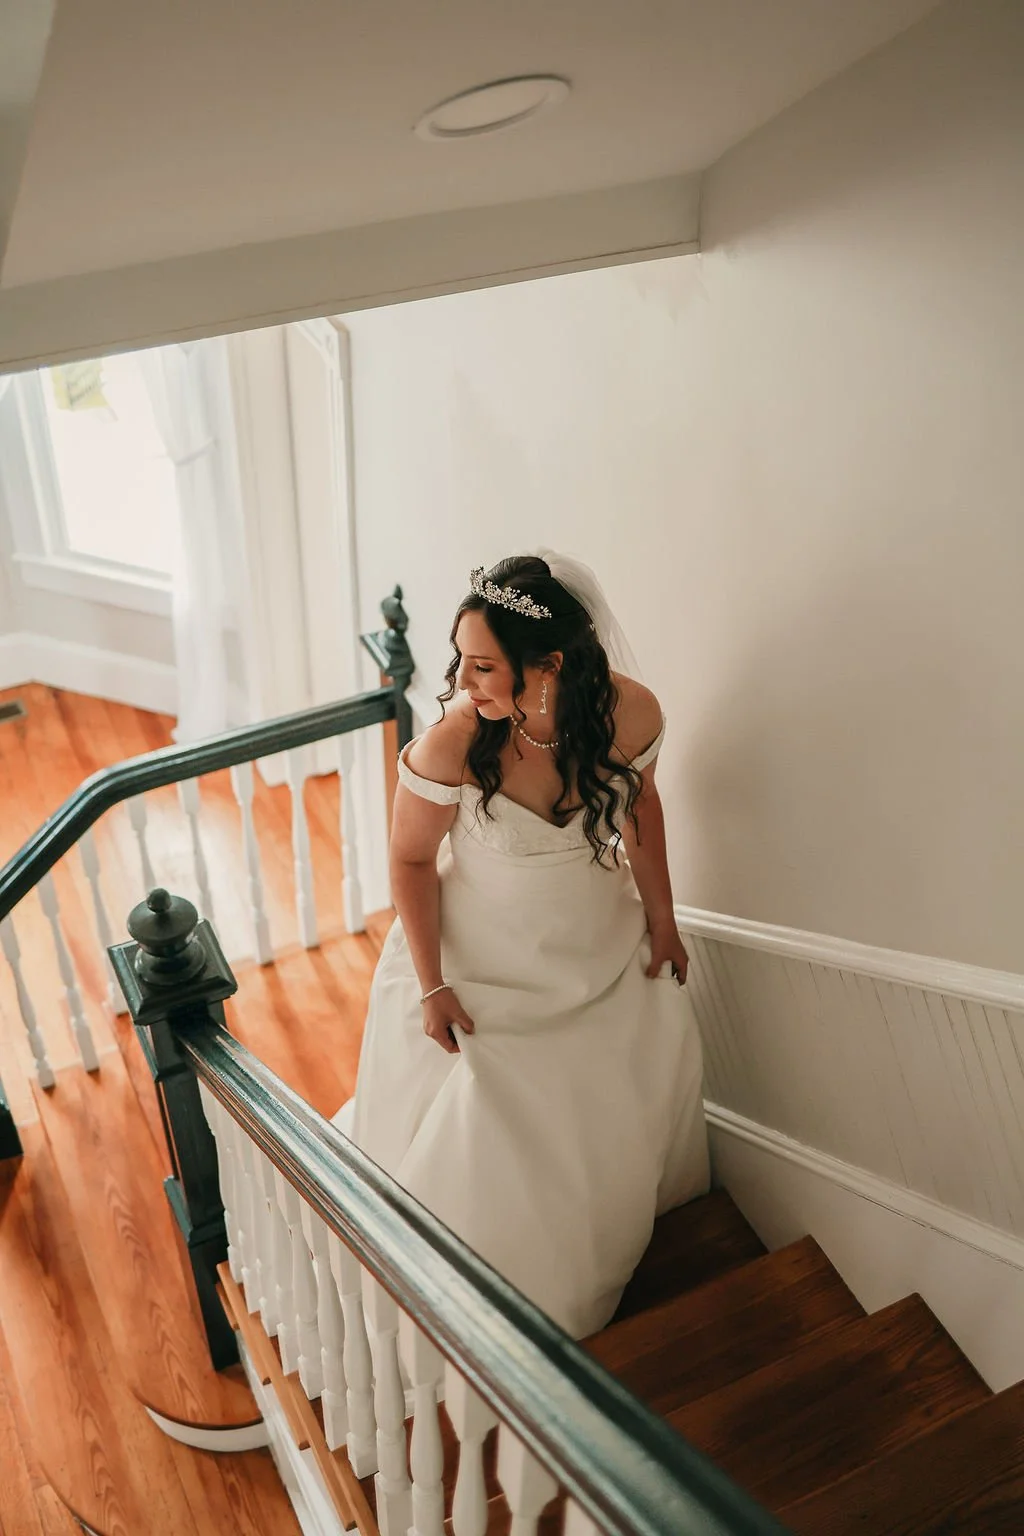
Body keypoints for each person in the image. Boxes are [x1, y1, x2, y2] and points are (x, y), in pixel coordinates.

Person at [336, 553, 709, 1338]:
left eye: (482, 667)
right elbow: (408, 861)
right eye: (461, 663)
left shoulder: (629, 714)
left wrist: (664, 919)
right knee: (497, 1113)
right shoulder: (452, 745)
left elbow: (643, 814)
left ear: (550, 667)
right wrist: (433, 986)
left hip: (593, 945)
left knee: (605, 1088)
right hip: (480, 961)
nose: (463, 684)